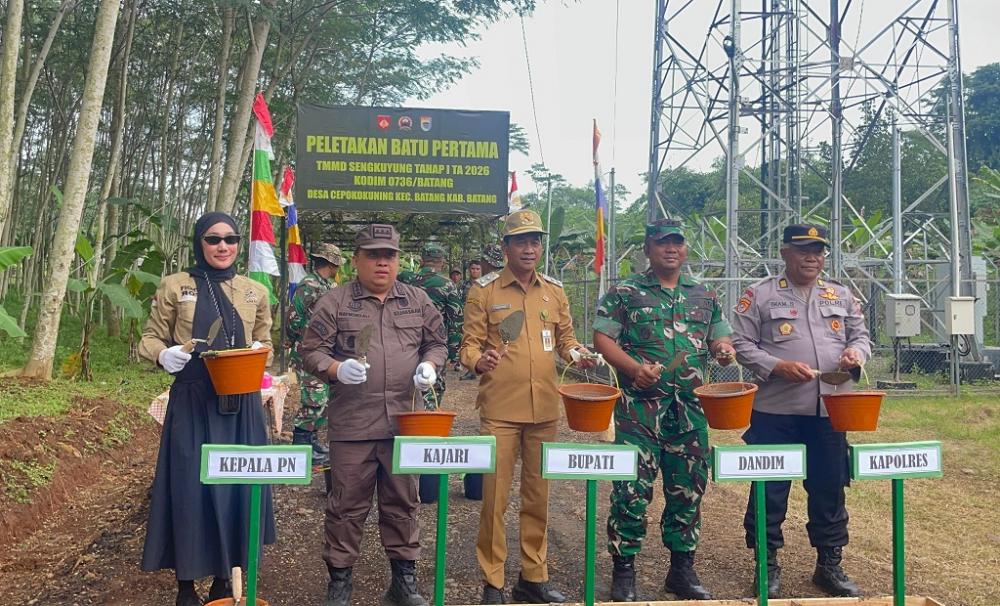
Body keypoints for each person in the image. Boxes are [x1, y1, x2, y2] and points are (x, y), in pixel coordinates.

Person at [300, 223, 447, 606]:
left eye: (390, 255)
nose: (382, 262)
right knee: (346, 506)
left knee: (403, 503)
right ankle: (340, 582)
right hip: (353, 423)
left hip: (405, 421)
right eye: (373, 255)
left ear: (399, 260)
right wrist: (335, 369)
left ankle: (403, 582)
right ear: (357, 260)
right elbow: (311, 350)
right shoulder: (335, 302)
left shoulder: (417, 300)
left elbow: (438, 343)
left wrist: (430, 365)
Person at [594, 218, 736, 602]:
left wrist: (724, 348)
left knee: (689, 489)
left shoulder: (703, 295)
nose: (671, 249)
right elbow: (603, 336)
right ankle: (624, 570)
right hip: (640, 410)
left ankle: (682, 569)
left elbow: (719, 333)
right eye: (662, 243)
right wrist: (633, 369)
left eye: (677, 243)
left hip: (690, 411)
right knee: (631, 490)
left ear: (685, 248)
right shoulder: (625, 291)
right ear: (648, 249)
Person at [460, 209, 598, 605]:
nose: (529, 247)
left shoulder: (554, 291)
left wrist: (578, 354)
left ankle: (532, 577)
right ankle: (493, 581)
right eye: (520, 240)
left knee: (538, 497)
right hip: (501, 410)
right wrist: (477, 360)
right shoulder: (484, 291)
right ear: (505, 247)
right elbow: (468, 345)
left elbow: (567, 340)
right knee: (495, 498)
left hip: (544, 412)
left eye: (535, 240)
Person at [139, 212, 275, 606]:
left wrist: (259, 352)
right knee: (189, 486)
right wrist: (163, 354)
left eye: (231, 239)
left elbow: (265, 339)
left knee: (236, 486)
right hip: (194, 400)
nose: (223, 247)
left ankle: (223, 577)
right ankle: (185, 585)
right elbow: (149, 338)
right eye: (213, 239)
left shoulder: (254, 291)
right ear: (199, 242)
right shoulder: (176, 285)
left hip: (241, 403)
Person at [730, 224, 871, 599]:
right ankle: (767, 564)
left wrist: (856, 354)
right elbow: (740, 343)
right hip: (776, 411)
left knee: (829, 487)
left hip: (830, 410)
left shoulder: (840, 294)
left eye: (819, 250)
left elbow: (860, 335)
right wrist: (775, 365)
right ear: (785, 253)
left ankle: (829, 564)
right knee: (770, 490)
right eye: (804, 249)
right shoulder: (759, 295)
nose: (813, 257)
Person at [286, 243, 345, 466]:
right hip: (308, 351)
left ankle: (311, 442)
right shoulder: (309, 284)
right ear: (331, 263)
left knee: (324, 400)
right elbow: (294, 316)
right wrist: (295, 340)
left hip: (326, 351)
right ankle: (301, 447)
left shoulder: (328, 285)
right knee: (314, 398)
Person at [398, 242, 462, 409]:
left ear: (422, 261)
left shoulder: (406, 280)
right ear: (442, 262)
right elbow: (455, 320)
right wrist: (453, 353)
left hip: (404, 343)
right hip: (434, 345)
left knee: (404, 385)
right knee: (432, 385)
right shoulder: (448, 285)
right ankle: (426, 421)